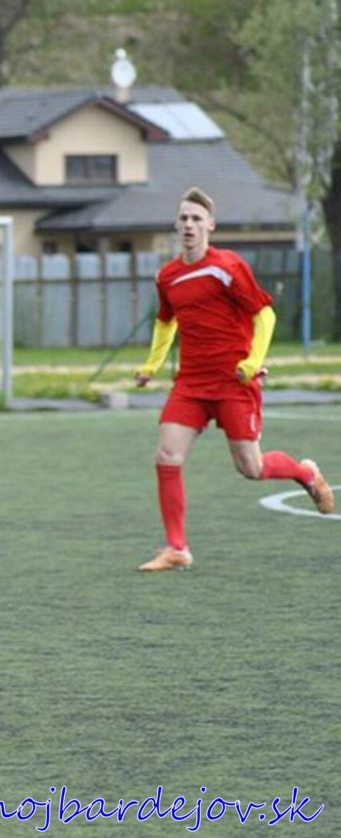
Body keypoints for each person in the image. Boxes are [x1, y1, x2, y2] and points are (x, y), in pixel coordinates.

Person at [135, 186, 334, 572]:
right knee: (166, 456)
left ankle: (305, 473)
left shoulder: (226, 266)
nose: (189, 224)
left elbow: (265, 315)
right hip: (191, 384)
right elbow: (165, 322)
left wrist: (252, 361)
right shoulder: (167, 276)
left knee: (251, 468)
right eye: (183, 218)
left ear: (210, 225)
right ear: (175, 224)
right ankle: (177, 548)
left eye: (196, 218)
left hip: (233, 382)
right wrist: (151, 366)